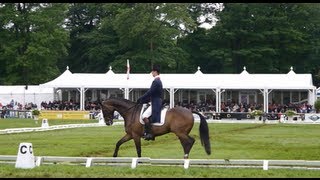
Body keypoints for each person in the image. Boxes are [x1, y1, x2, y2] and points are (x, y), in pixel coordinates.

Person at [137, 64, 163, 141]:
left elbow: (150, 92)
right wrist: (143, 100)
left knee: (144, 116)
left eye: (152, 71)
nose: (151, 73)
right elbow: (152, 94)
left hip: (156, 102)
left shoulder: (156, 81)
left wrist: (141, 98)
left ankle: (149, 133)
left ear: (155, 72)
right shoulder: (158, 81)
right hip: (155, 101)